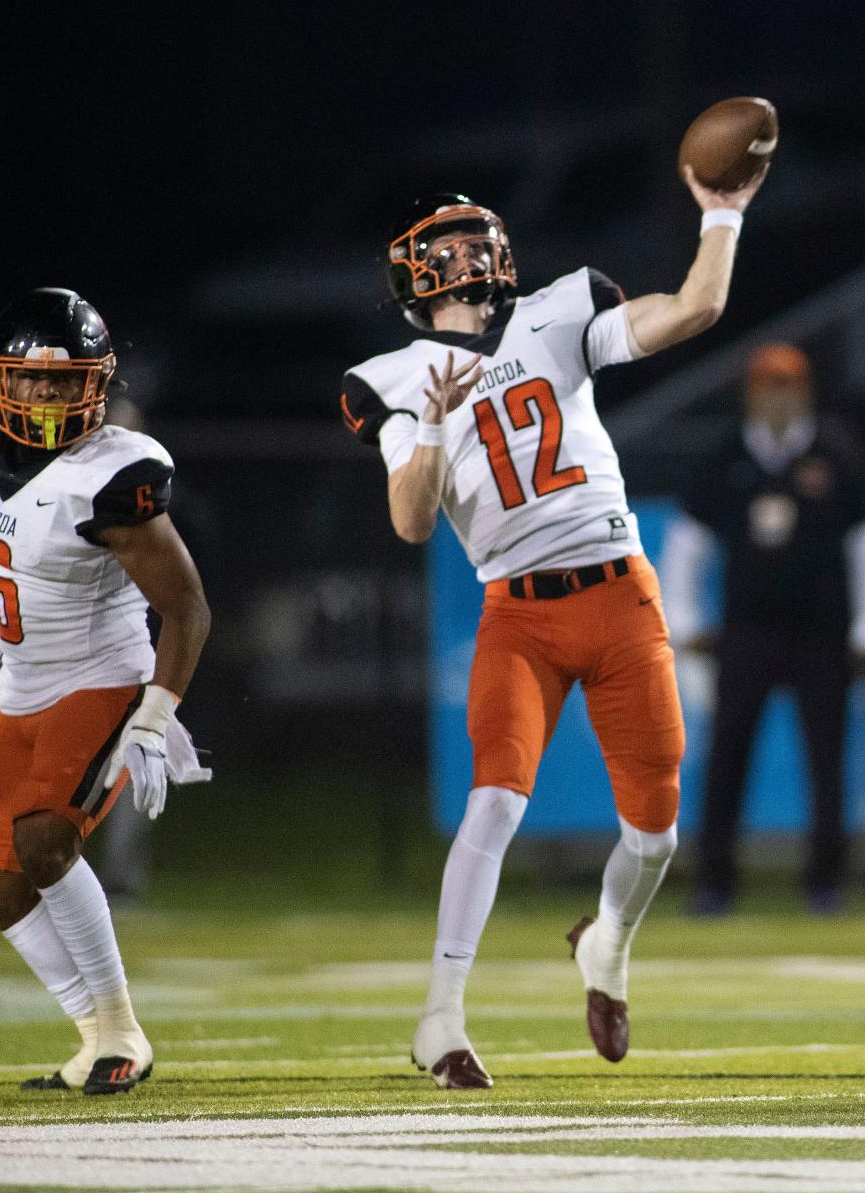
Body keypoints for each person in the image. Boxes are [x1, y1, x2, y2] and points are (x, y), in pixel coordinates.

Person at [341, 170, 767, 1088]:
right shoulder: (391, 381)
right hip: (519, 611)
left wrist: (723, 210)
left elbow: (696, 308)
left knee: (656, 836)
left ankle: (606, 945)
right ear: (414, 276)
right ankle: (440, 1022)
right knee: (493, 803)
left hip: (621, 593)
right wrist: (428, 429)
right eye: (443, 249)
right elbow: (412, 522)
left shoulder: (555, 313)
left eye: (470, 244)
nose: (462, 261)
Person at [0, 287, 211, 1094]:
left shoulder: (112, 476)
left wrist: (155, 714)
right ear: (0, 380)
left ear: (98, 384)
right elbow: (18, 557)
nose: (53, 397)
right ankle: (95, 1035)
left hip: (102, 675)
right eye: (36, 380)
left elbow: (187, 609)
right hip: (24, 681)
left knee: (42, 839)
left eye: (71, 382)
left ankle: (122, 1032)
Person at [659, 342, 865, 916]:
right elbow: (689, 544)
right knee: (727, 757)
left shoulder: (836, 455)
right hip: (745, 633)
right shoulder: (723, 457)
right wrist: (686, 621)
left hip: (821, 635)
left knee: (828, 761)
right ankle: (715, 882)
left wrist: (863, 626)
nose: (778, 399)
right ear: (751, 393)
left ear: (805, 392)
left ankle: (825, 882)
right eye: (768, 387)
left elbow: (861, 544)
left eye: (788, 387)